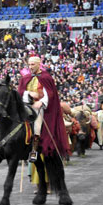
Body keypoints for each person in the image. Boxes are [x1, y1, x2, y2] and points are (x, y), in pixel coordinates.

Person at [18, 56, 70, 190]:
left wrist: (41, 101)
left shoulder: (46, 77)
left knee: (38, 128)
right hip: (27, 108)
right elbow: (21, 93)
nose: (30, 66)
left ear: (39, 64)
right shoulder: (25, 78)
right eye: (29, 64)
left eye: (33, 64)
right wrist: (29, 94)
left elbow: (50, 94)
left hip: (42, 110)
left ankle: (36, 141)